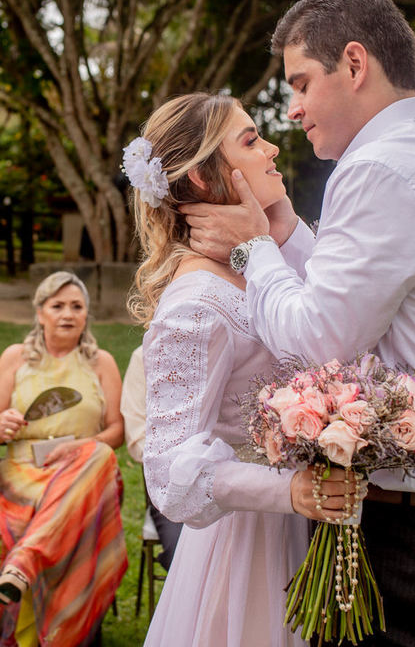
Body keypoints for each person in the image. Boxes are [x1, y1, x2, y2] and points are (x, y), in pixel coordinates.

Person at [183, 0, 415, 647]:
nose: (294, 110)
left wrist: (249, 252)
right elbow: (359, 287)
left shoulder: (380, 169)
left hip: (410, 534)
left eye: (301, 83)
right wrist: (280, 232)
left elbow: (317, 339)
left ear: (355, 65)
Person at [126, 93, 311, 647]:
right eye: (252, 140)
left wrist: (278, 226)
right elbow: (169, 470)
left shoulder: (260, 266)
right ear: (204, 179)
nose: (273, 147)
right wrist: (290, 491)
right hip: (252, 545)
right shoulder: (195, 304)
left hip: (310, 521)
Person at [0, 271, 126, 647]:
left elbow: (117, 431)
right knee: (80, 502)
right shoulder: (15, 357)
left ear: (86, 315)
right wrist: (3, 423)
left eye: (76, 306)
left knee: (98, 453)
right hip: (26, 472)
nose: (67, 314)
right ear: (40, 312)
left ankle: (24, 563)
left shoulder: (101, 363)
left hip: (83, 472)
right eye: (57, 305)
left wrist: (80, 448)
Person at [118, 346, 182, 569]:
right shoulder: (145, 355)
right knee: (183, 555)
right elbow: (137, 438)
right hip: (170, 484)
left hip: (233, 477)